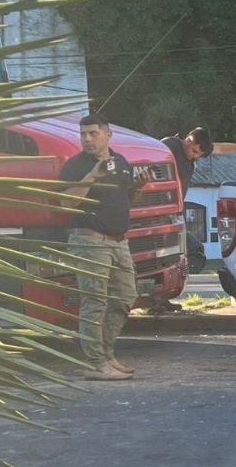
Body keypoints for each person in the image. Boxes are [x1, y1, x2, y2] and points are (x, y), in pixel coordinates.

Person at [59, 114, 152, 381]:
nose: (87, 139)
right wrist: (92, 175)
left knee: (125, 296)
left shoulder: (120, 162)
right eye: (83, 134)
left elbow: (127, 198)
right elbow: (65, 204)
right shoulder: (75, 166)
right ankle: (94, 363)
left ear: (108, 135)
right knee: (94, 302)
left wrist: (140, 186)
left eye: (93, 134)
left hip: (119, 241)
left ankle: (107, 354)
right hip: (89, 240)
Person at [160, 127, 213, 199]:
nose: (195, 156)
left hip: (176, 205)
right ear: (188, 141)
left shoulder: (191, 161)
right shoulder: (168, 146)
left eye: (199, 155)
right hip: (157, 200)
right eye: (194, 151)